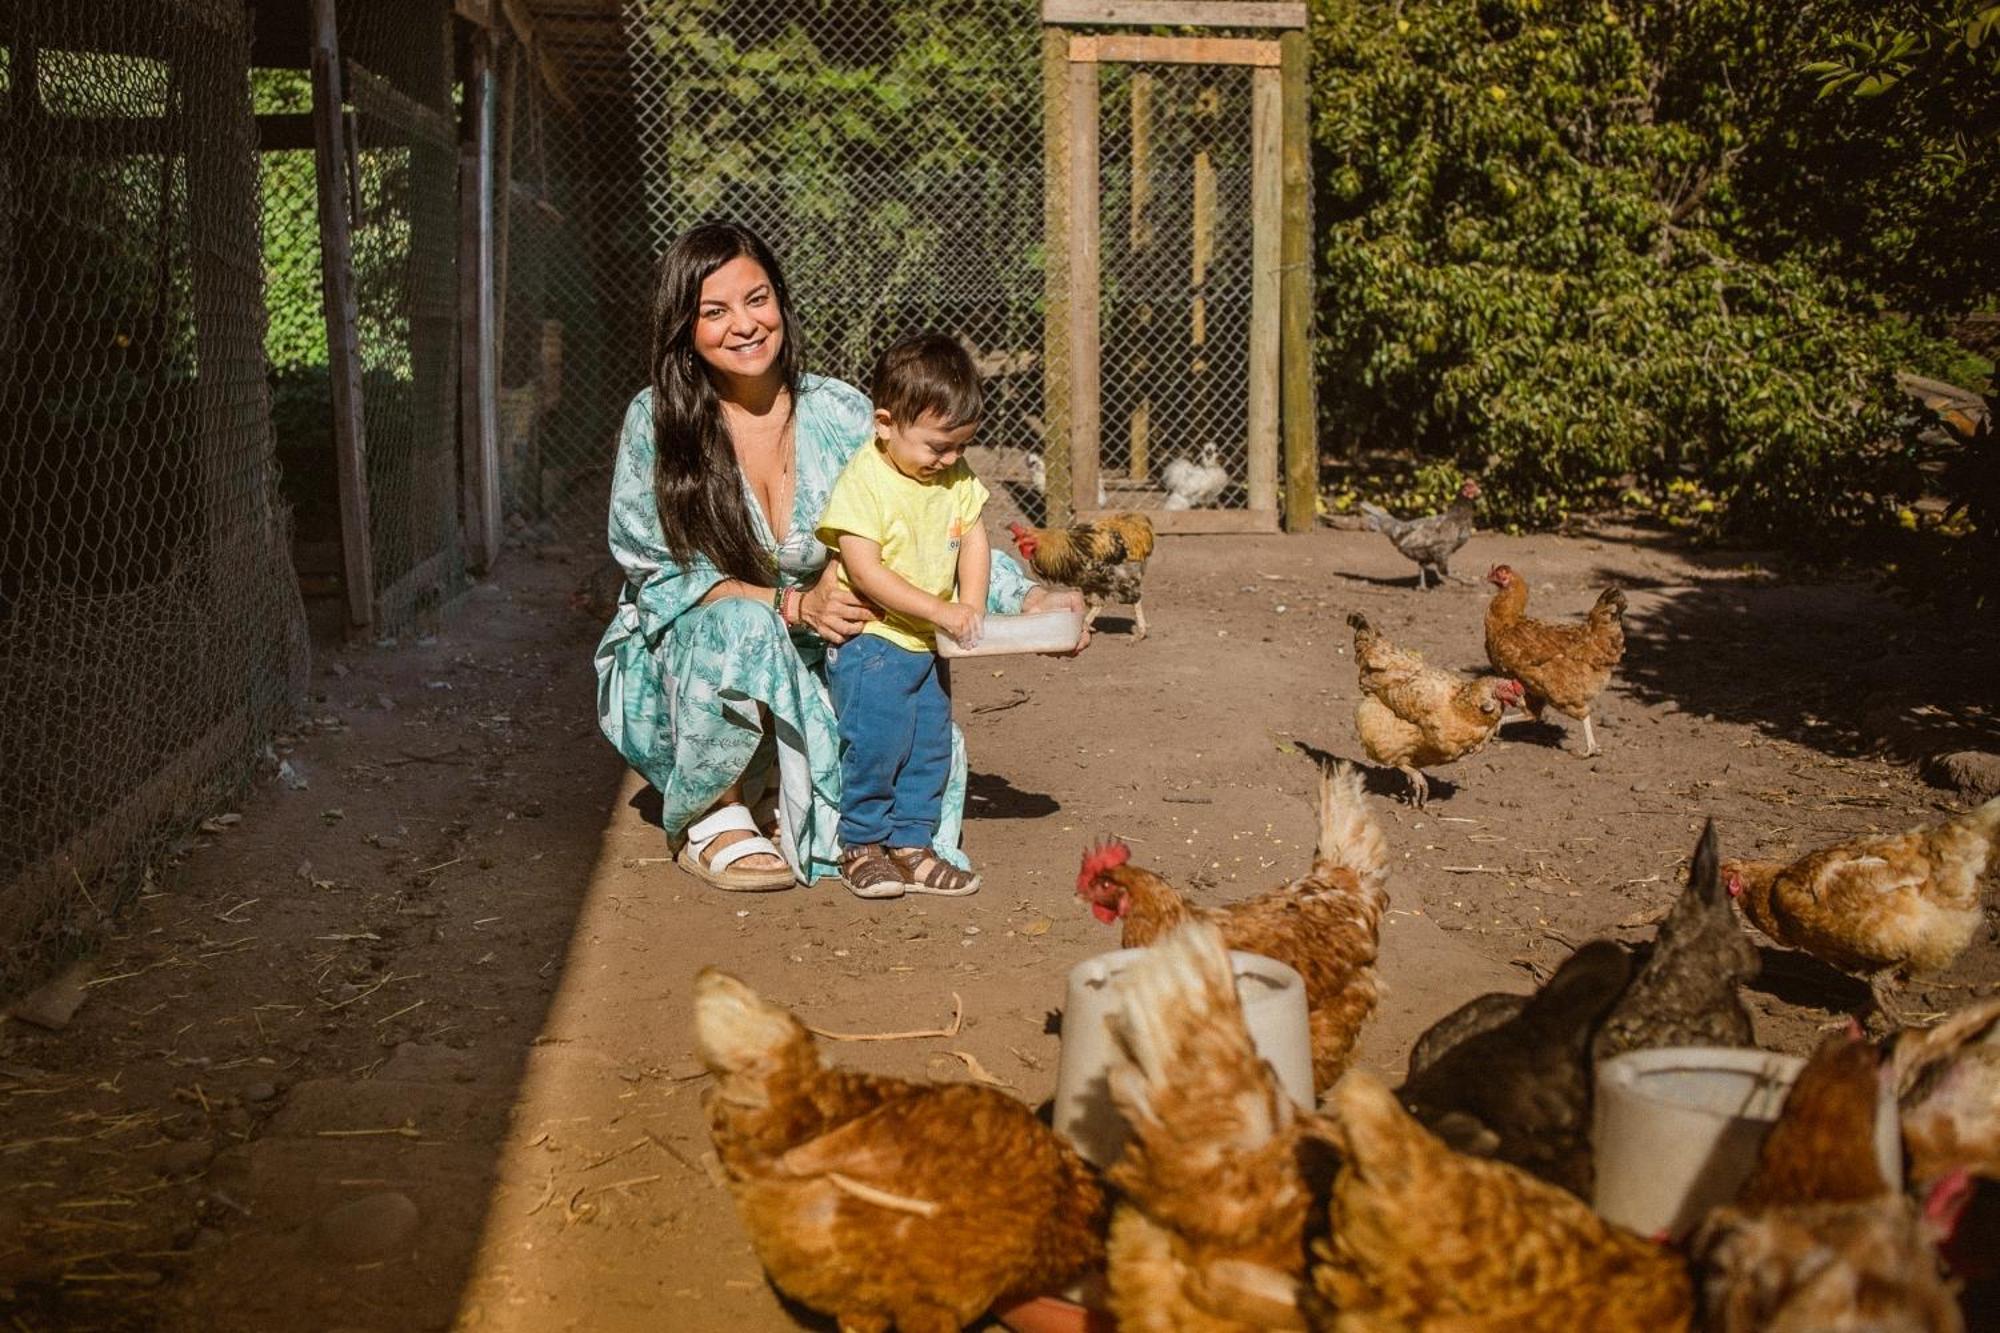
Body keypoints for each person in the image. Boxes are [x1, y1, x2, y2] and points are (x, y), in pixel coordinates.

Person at [593, 221, 1083, 891]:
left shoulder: (843, 413)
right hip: (692, 658)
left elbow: (928, 527)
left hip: (823, 651)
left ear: (781, 304)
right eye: (715, 311)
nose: (744, 324)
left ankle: (781, 785)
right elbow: (662, 579)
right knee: (742, 627)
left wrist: (1023, 600)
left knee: (885, 792)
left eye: (757, 299)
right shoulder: (656, 421)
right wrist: (793, 603)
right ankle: (716, 808)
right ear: (684, 326)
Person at [816, 333, 993, 898]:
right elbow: (865, 571)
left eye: (961, 446)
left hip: (925, 645)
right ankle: (862, 844)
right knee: (877, 741)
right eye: (938, 447)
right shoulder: (865, 480)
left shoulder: (954, 477)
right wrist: (941, 609)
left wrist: (973, 604)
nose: (949, 460)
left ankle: (914, 846)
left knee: (929, 745)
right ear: (886, 423)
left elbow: (974, 538)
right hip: (874, 641)